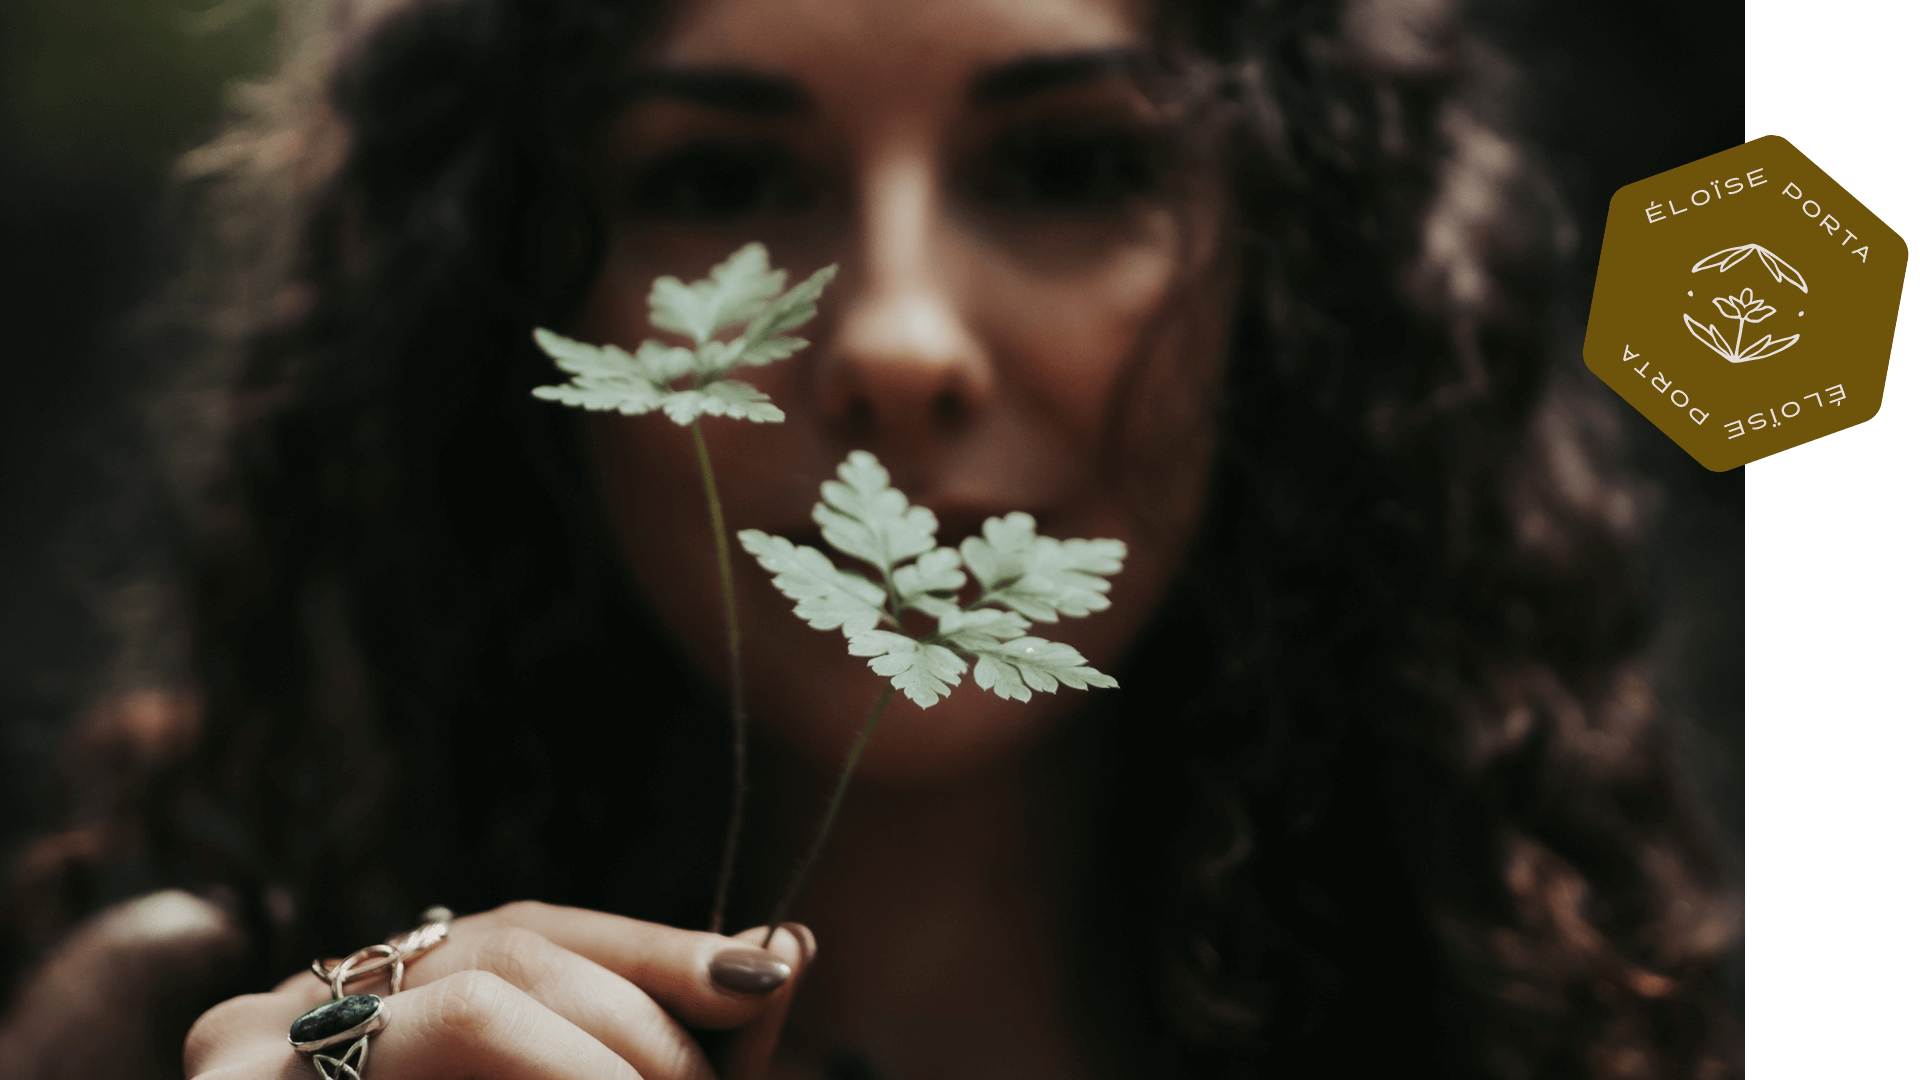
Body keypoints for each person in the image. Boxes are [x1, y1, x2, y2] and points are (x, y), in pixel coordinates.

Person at [0, 0, 1744, 1077]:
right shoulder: (168, 1040)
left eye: (1070, 166)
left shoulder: (1581, 1032)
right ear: (504, 296)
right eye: (717, 180)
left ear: (1298, 292)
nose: (899, 337)